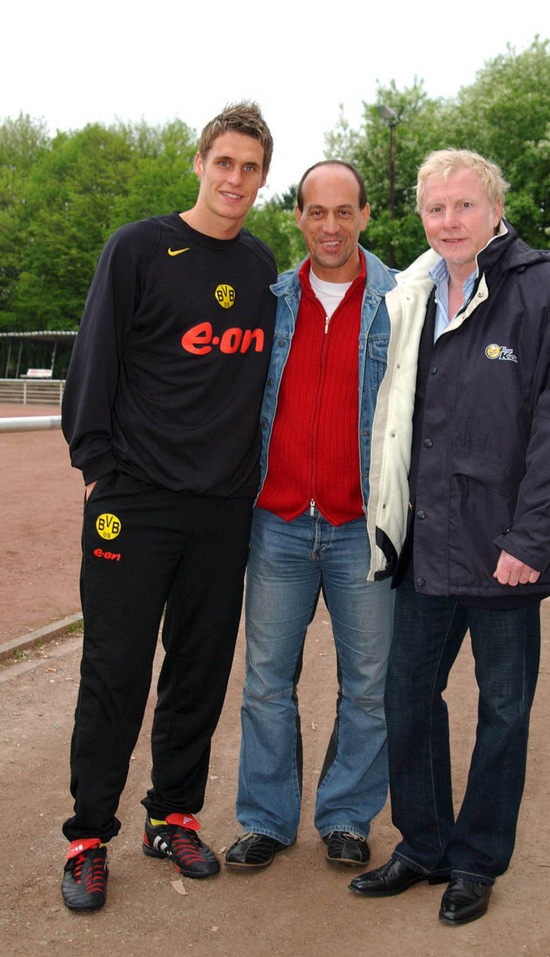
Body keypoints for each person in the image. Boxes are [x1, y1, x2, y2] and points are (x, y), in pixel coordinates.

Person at [349, 149, 550, 924]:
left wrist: (530, 538)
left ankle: (476, 860)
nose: (449, 221)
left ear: (496, 209)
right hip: (425, 547)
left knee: (503, 710)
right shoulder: (412, 295)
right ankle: (422, 844)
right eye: (435, 209)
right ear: (421, 216)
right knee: (407, 698)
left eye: (464, 206)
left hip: (504, 556)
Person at [60, 102, 276, 912]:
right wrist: (97, 465)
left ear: (262, 177)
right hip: (135, 503)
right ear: (199, 162)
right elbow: (96, 355)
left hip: (222, 512)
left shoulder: (260, 269)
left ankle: (172, 815)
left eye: (251, 168)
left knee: (198, 671)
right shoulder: (140, 248)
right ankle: (88, 835)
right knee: (114, 670)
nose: (235, 179)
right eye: (224, 162)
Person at [224, 161, 397, 871]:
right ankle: (266, 818)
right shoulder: (271, 299)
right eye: (316, 212)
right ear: (298, 216)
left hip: (362, 527)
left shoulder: (400, 300)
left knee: (369, 685)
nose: (331, 226)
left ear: (364, 215)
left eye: (344, 211)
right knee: (266, 680)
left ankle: (347, 816)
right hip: (281, 521)